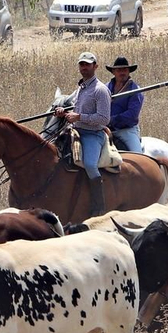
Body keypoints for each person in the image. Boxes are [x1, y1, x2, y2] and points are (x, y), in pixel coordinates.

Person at [56, 51, 112, 217]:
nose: (84, 67)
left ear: (95, 66)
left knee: (89, 164)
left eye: (88, 64)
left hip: (93, 134)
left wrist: (79, 117)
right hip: (76, 130)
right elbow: (74, 108)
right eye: (82, 64)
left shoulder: (100, 90)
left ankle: (98, 206)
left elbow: (104, 119)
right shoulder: (81, 87)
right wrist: (63, 111)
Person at [106, 56, 144, 153]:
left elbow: (132, 115)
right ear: (113, 72)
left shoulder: (135, 90)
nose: (122, 73)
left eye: (125, 70)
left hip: (126, 131)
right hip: (104, 129)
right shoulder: (105, 88)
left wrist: (111, 120)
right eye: (119, 70)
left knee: (138, 157)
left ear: (129, 71)